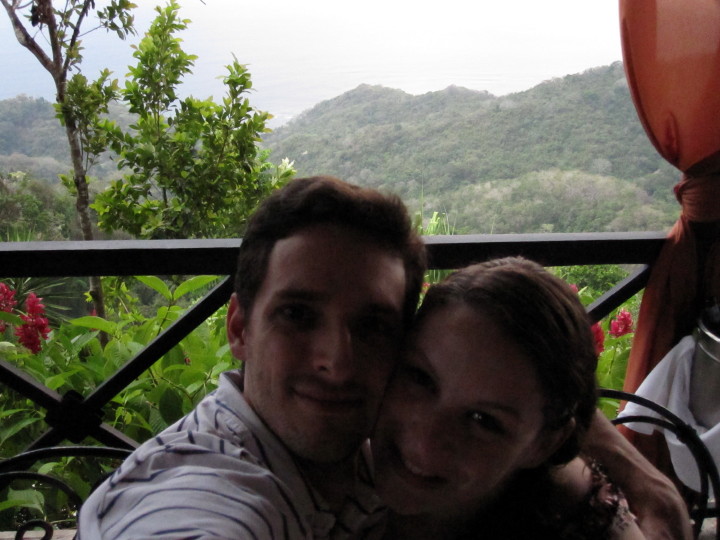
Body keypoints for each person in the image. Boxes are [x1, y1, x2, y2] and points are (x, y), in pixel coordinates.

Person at [78, 176, 689, 539]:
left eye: (371, 327)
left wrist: (636, 474)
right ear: (239, 327)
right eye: (298, 315)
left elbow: (510, 382)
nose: (337, 363)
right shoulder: (210, 488)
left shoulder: (366, 445)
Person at [371, 258, 666, 539]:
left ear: (543, 445)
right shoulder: (347, 445)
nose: (424, 443)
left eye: (483, 420)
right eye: (421, 378)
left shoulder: (580, 518)